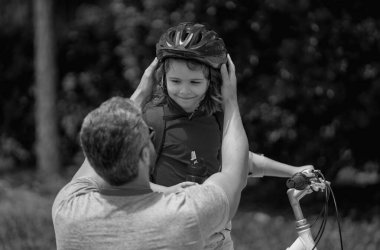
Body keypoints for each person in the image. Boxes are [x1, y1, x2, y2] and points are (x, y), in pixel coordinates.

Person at [141, 22, 313, 249]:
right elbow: (129, 181)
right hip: (171, 233)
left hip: (218, 235)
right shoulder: (153, 119)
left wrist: (292, 170)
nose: (184, 90)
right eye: (175, 81)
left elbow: (242, 161)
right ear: (162, 78)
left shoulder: (214, 118)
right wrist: (168, 192)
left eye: (194, 82)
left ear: (212, 81)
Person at [52, 56, 249, 249]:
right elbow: (234, 173)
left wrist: (139, 93)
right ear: (146, 155)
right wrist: (230, 101)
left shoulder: (67, 207)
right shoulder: (187, 214)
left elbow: (97, 154)